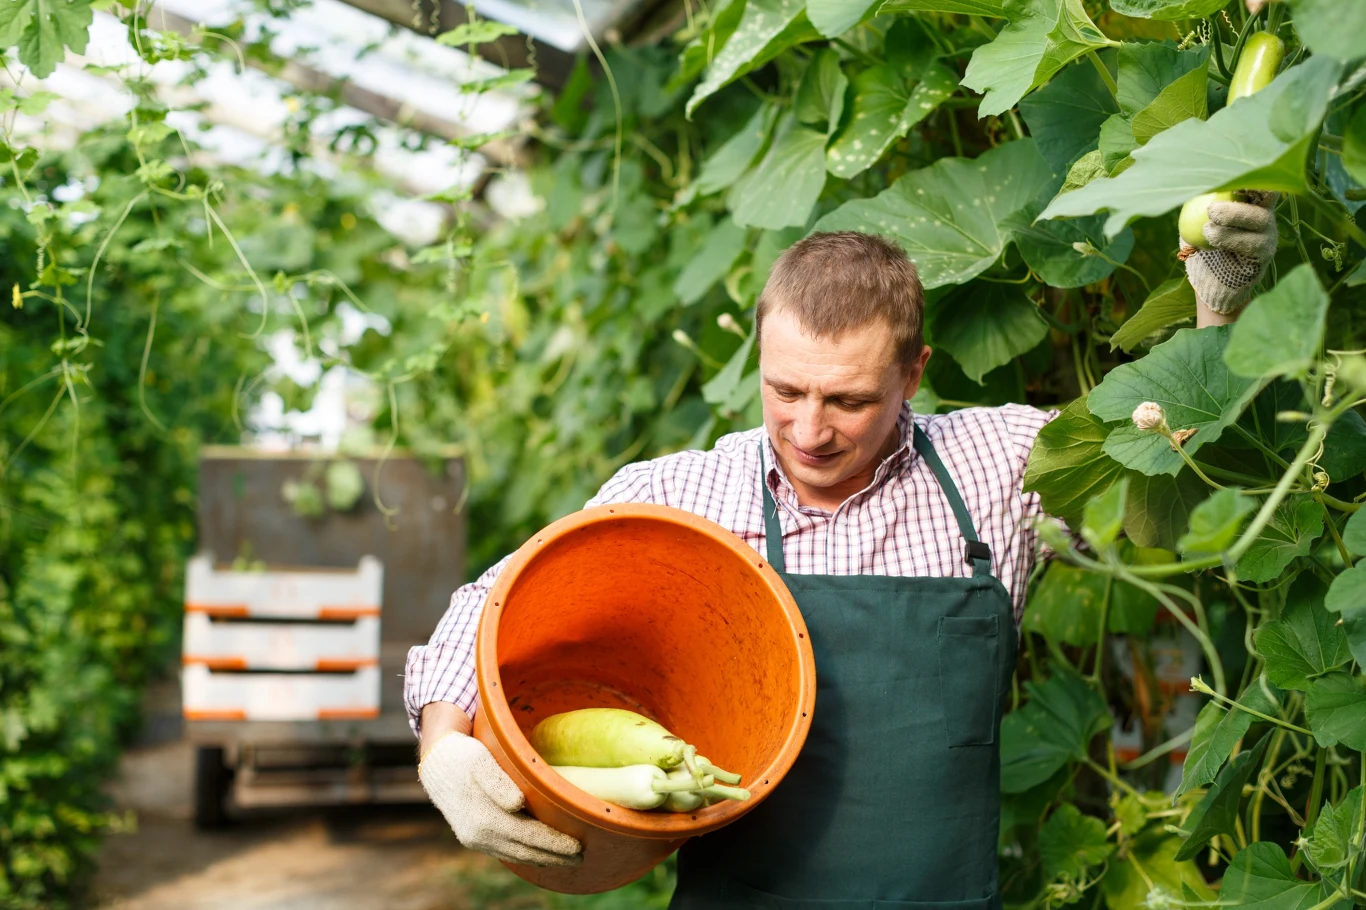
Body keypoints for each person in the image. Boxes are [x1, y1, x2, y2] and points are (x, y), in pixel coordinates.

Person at [408, 199, 1275, 905]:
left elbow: (1169, 438)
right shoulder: (680, 497)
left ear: (915, 372)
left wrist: (1221, 297)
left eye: (850, 400)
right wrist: (445, 750)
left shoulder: (1001, 466)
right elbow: (490, 605)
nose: (809, 430)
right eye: (784, 389)